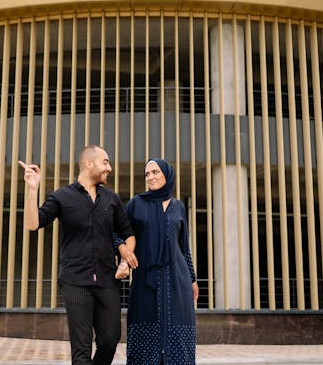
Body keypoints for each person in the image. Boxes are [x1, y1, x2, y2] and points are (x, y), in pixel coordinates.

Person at [21, 145, 138, 365]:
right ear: (89, 163)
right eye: (105, 162)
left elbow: (128, 234)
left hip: (107, 280)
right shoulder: (61, 197)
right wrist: (33, 189)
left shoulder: (112, 199)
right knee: (81, 349)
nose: (109, 168)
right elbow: (33, 223)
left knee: (109, 341)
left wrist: (125, 260)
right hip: (75, 281)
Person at [116, 158, 198, 365]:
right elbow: (118, 234)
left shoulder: (178, 207)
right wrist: (124, 252)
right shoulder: (136, 203)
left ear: (166, 174)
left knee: (178, 332)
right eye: (147, 174)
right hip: (146, 278)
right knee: (143, 326)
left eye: (155, 172)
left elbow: (184, 248)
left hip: (177, 279)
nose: (151, 177)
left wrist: (193, 279)